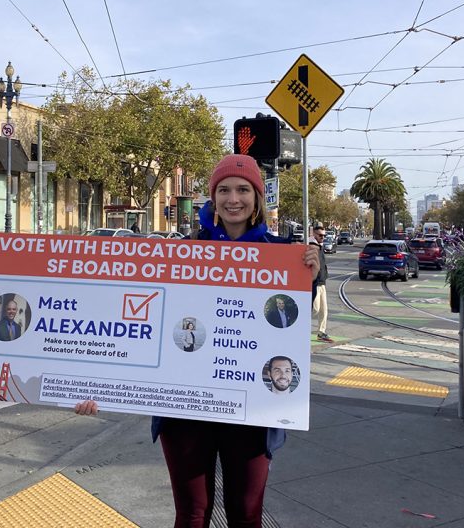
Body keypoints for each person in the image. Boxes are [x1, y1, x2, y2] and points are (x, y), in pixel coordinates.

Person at [76, 154, 320, 528]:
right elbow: (128, 321)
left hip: (251, 410)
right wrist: (93, 385)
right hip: (185, 409)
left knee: (246, 514)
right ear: (213, 197)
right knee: (191, 514)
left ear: (257, 197)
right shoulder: (178, 253)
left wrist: (313, 272)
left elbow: (291, 317)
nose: (232, 198)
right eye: (223, 190)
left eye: (242, 189)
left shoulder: (284, 255)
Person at [311, 223, 331, 342]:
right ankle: (298, 326)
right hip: (315, 283)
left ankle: (321, 332)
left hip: (322, 282)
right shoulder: (312, 246)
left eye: (324, 235)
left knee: (324, 310)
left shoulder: (320, 246)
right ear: (314, 234)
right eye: (320, 235)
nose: (322, 237)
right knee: (315, 309)